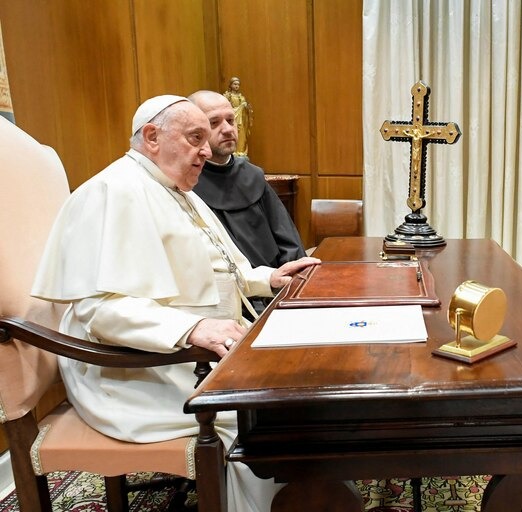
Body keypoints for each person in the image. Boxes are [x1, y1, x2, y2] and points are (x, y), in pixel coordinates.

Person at [30, 95, 320, 512]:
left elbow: (221, 270)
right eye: (195, 137)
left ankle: (311, 497)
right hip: (131, 372)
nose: (207, 150)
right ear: (151, 137)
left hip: (187, 357)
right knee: (258, 421)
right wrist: (191, 329)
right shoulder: (114, 191)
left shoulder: (176, 189)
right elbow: (98, 311)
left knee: (297, 390)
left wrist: (268, 277)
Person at [188, 90, 306, 315]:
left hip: (277, 288)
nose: (227, 129)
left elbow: (288, 240)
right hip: (231, 301)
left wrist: (292, 282)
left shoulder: (251, 175)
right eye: (214, 123)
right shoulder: (188, 183)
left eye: (230, 120)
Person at [223, 77, 251, 156]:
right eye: (235, 84)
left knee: (241, 135)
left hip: (240, 119)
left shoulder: (241, 97)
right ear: (231, 85)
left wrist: (245, 106)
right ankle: (233, 151)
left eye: (238, 84)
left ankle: (240, 151)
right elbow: (225, 108)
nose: (236, 86)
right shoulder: (227, 96)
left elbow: (247, 109)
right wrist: (238, 108)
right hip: (232, 119)